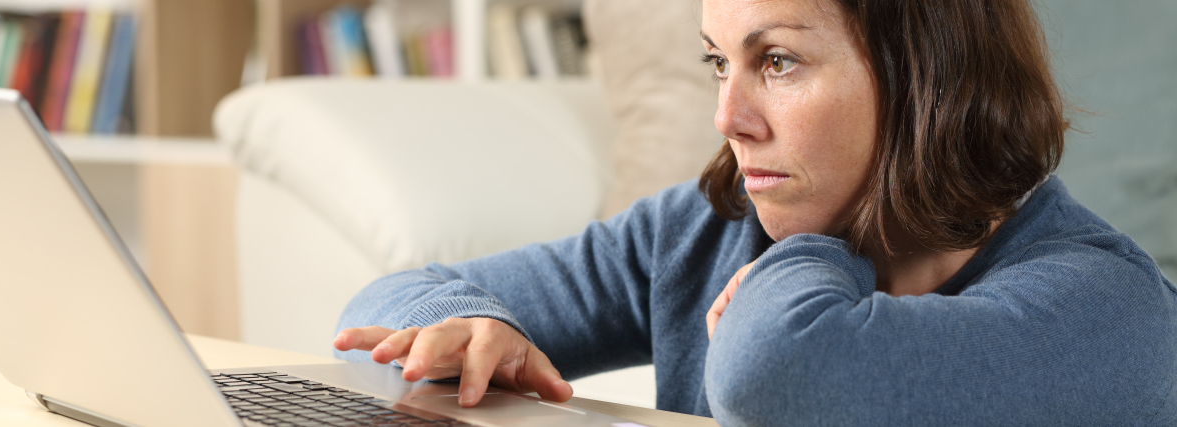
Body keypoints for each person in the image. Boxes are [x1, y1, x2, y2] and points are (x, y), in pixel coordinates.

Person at [331, 0, 1177, 424]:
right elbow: (388, 304)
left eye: (776, 61)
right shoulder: (701, 232)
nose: (727, 117)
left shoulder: (1110, 309)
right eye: (716, 65)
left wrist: (814, 250)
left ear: (931, 76)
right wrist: (458, 323)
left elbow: (779, 367)